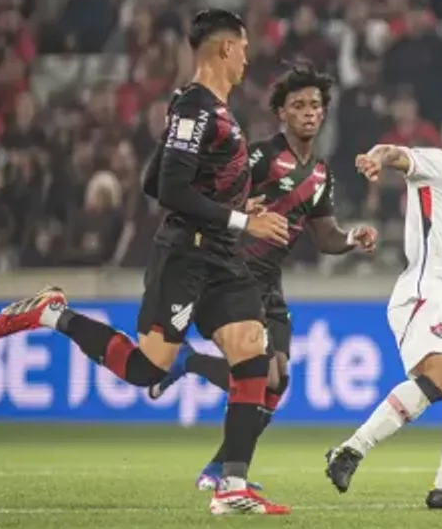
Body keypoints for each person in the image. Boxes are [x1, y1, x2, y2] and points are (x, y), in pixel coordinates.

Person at [0, 10, 292, 516]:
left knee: (251, 348)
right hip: (186, 254)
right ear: (224, 48)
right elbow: (168, 189)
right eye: (242, 46)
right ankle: (53, 314)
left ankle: (232, 487)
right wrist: (243, 220)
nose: (247, 56)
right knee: (146, 367)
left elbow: (154, 179)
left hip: (220, 253)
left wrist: (235, 205)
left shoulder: (206, 108)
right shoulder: (197, 108)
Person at [149, 63, 379, 490]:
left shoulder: (321, 174)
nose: (308, 112)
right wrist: (241, 211)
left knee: (279, 380)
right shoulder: (260, 157)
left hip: (270, 279)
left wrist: (351, 238)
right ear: (282, 113)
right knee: (264, 375)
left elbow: (325, 236)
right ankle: (192, 372)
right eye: (298, 105)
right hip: (236, 269)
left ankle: (219, 466)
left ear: (324, 113)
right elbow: (214, 195)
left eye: (315, 105)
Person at [324, 101, 442, 510]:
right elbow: (397, 154)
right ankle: (350, 450)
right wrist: (377, 158)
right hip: (425, 293)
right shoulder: (440, 165)